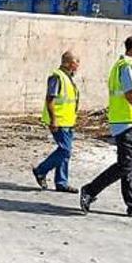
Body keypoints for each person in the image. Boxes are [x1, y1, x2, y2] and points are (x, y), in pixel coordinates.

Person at [80, 36, 132, 218]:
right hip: (127, 123)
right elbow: (130, 96)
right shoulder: (127, 67)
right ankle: (90, 190)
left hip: (128, 123)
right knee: (126, 166)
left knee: (130, 168)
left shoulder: (122, 66)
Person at [32, 51, 81, 193]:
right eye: (76, 63)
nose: (78, 66)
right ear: (69, 63)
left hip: (67, 121)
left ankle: (61, 182)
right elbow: (50, 99)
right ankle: (41, 170)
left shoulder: (68, 78)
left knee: (65, 151)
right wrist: (53, 120)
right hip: (58, 121)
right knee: (65, 150)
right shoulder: (57, 77)